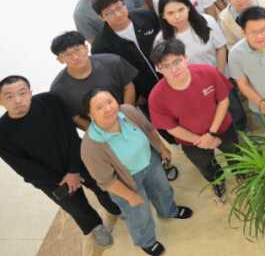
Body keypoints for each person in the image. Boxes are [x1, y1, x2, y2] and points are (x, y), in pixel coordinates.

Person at [0, 76, 120, 249]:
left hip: (77, 158)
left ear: (30, 92)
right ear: (1, 101)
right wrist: (62, 180)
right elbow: (25, 168)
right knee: (75, 207)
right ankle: (95, 227)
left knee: (102, 186)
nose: (18, 100)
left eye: (22, 93)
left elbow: (70, 135)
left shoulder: (50, 101)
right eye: (9, 96)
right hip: (50, 179)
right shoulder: (3, 132)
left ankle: (116, 208)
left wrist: (73, 170)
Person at [80, 89, 192, 256]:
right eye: (99, 107)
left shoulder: (128, 111)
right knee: (138, 213)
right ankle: (146, 241)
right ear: (90, 115)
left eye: (110, 101)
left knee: (163, 190)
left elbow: (148, 130)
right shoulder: (91, 146)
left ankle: (169, 211)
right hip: (125, 181)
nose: (108, 108)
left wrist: (162, 148)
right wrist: (130, 196)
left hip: (150, 161)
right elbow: (106, 181)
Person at [147, 39, 236, 202]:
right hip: (192, 141)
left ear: (185, 58)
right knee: (206, 166)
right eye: (166, 66)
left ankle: (242, 174)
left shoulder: (208, 72)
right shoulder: (156, 97)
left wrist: (211, 134)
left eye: (177, 61)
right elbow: (171, 128)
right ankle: (217, 181)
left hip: (222, 127)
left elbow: (224, 101)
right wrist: (201, 141)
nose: (174, 69)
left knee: (235, 153)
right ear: (158, 68)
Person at [48, 31, 137, 129]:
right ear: (60, 60)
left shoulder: (113, 62)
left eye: (77, 50)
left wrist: (126, 117)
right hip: (100, 130)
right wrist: (101, 132)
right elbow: (75, 118)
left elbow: (128, 87)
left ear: (86, 48)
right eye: (67, 54)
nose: (75, 57)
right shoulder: (59, 89)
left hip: (130, 117)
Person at [89, 0, 162, 104]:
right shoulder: (100, 47)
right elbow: (115, 77)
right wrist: (135, 95)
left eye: (119, 7)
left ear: (124, 4)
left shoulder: (147, 16)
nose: (118, 14)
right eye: (110, 12)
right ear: (101, 17)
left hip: (172, 74)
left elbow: (168, 40)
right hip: (145, 95)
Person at [155, 0, 227, 69]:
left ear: (188, 7)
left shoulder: (207, 21)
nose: (177, 16)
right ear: (163, 16)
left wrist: (219, 74)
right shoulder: (161, 40)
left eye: (181, 10)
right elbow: (163, 68)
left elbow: (221, 48)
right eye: (170, 13)